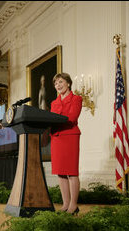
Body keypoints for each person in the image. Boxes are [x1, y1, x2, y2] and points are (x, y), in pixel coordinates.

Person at [50, 72, 82, 215]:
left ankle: (73, 205)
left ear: (68, 83)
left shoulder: (76, 99)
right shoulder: (53, 103)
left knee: (71, 173)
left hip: (70, 136)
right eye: (56, 83)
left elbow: (73, 117)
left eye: (61, 82)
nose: (58, 85)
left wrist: (55, 119)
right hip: (56, 137)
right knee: (61, 173)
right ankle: (65, 204)